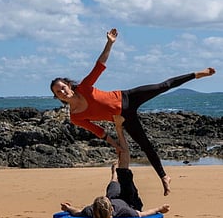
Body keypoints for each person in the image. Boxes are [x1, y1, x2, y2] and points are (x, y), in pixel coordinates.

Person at [51, 28, 216, 196]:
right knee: (145, 145)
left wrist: (109, 42)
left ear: (68, 85)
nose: (62, 92)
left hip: (128, 97)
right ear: (57, 97)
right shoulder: (75, 117)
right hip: (123, 119)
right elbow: (99, 132)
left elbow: (99, 65)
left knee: (162, 86)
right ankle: (164, 177)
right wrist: (116, 145)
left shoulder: (85, 87)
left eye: (63, 88)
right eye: (58, 92)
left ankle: (196, 74)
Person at [60, 116, 170, 218]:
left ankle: (114, 173)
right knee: (124, 170)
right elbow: (142, 214)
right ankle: (119, 129)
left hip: (115, 198)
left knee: (113, 188)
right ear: (111, 209)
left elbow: (77, 212)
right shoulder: (125, 212)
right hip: (129, 200)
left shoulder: (91, 211)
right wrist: (160, 209)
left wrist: (68, 208)